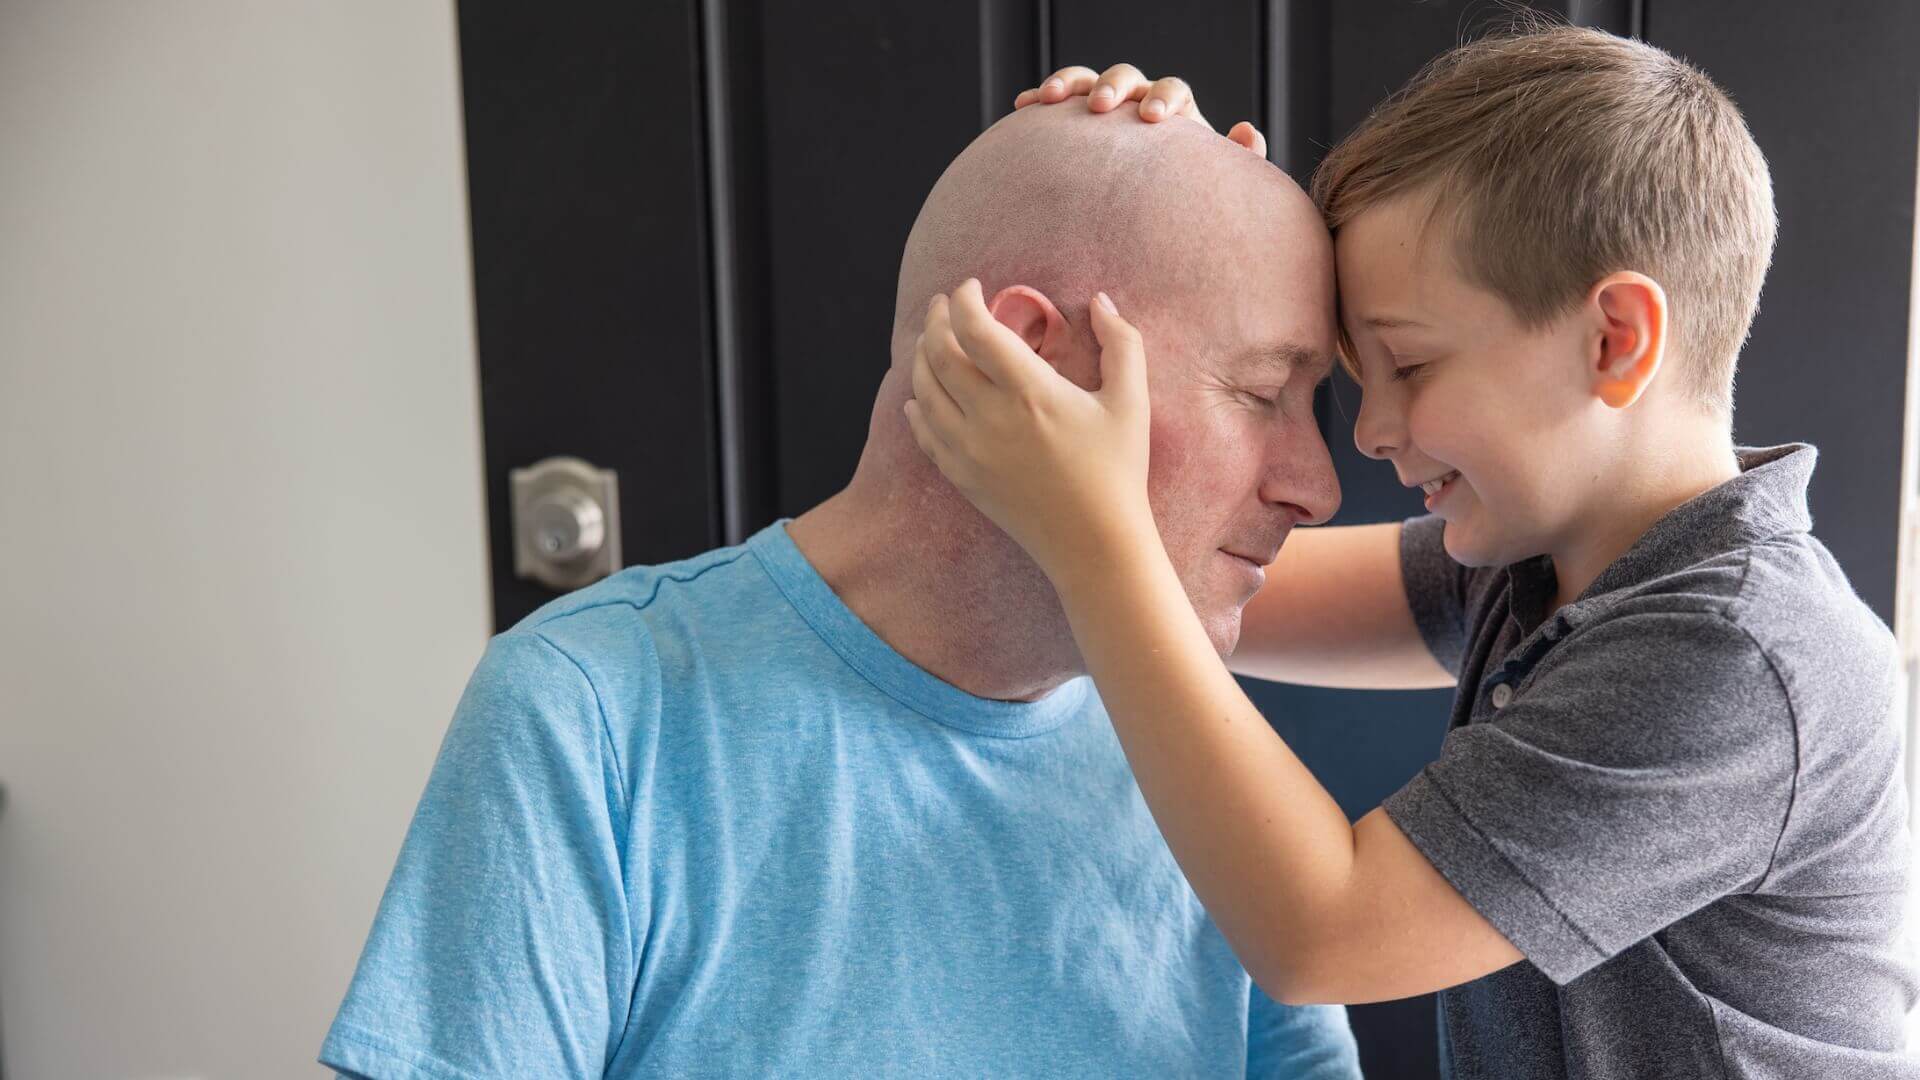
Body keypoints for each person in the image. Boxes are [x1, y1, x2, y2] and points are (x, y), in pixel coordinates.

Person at [906, 26, 1920, 1080]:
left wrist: (1095, 537)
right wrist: (1174, 195)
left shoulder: (1736, 656)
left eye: (1409, 364)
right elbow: (1210, 583)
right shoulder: (1552, 564)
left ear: (1616, 339)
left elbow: (1323, 930)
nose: (1372, 431)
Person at [318, 99, 1360, 1078]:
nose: (1316, 485)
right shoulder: (591, 715)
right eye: (1264, 394)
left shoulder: (1207, 769)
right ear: (1025, 360)